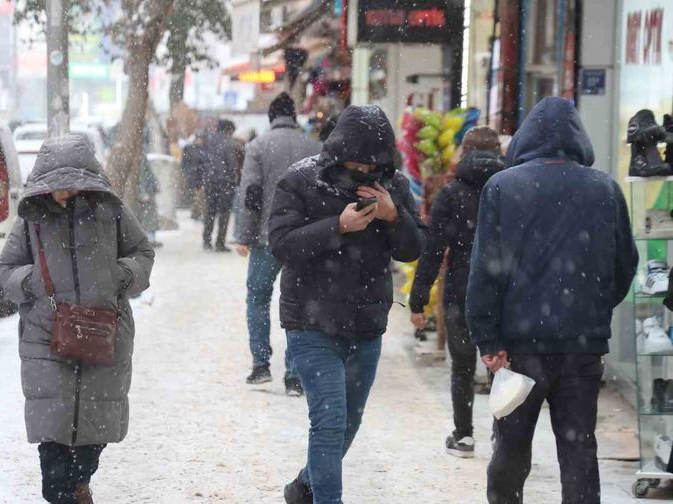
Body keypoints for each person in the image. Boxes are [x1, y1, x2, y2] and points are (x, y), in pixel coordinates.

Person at [466, 97, 638, 504]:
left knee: (511, 449)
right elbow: (625, 265)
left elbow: (485, 269)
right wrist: (591, 310)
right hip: (582, 347)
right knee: (579, 450)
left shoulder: (502, 188)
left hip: (518, 349)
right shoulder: (605, 189)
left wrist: (487, 339)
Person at [270, 105, 425, 504]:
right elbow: (282, 244)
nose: (367, 173)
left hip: (367, 323)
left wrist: (394, 216)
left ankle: (305, 487)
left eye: (375, 166)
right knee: (329, 421)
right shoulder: (301, 180)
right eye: (358, 164)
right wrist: (337, 226)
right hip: (310, 320)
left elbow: (413, 249)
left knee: (349, 424)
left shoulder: (394, 187)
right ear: (340, 153)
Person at [0, 135, 155, 504]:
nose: (65, 192)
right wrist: (33, 282)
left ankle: (80, 480)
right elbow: (6, 268)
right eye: (57, 185)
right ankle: (62, 492)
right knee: (52, 434)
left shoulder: (110, 211)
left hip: (105, 329)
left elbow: (142, 252)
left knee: (94, 428)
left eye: (72, 184)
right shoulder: (32, 220)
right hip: (45, 335)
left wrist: (121, 276)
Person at [408, 126, 505, 459]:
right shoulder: (512, 190)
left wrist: (418, 299)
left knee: (462, 366)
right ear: (498, 152)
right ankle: (502, 436)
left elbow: (433, 250)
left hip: (461, 288)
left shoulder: (451, 194)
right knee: (501, 364)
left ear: (464, 153)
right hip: (503, 291)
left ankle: (464, 436)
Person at [236, 92, 321, 394]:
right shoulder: (314, 147)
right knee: (298, 304)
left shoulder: (257, 146)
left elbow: (250, 193)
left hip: (266, 237)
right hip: (303, 238)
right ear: (294, 116)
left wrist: (245, 235)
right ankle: (294, 375)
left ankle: (261, 365)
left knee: (258, 298)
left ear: (271, 117)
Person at [202, 119, 238, 251]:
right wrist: (233, 179)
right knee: (224, 213)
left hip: (210, 182)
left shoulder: (209, 142)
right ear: (229, 130)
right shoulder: (228, 143)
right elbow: (231, 164)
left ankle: (206, 240)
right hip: (225, 183)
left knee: (210, 212)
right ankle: (220, 242)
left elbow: (204, 161)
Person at [181, 132, 207, 220]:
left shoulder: (204, 149)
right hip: (194, 175)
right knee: (197, 195)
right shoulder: (190, 148)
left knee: (199, 195)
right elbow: (184, 162)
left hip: (201, 176)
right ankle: (197, 213)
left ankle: (196, 212)